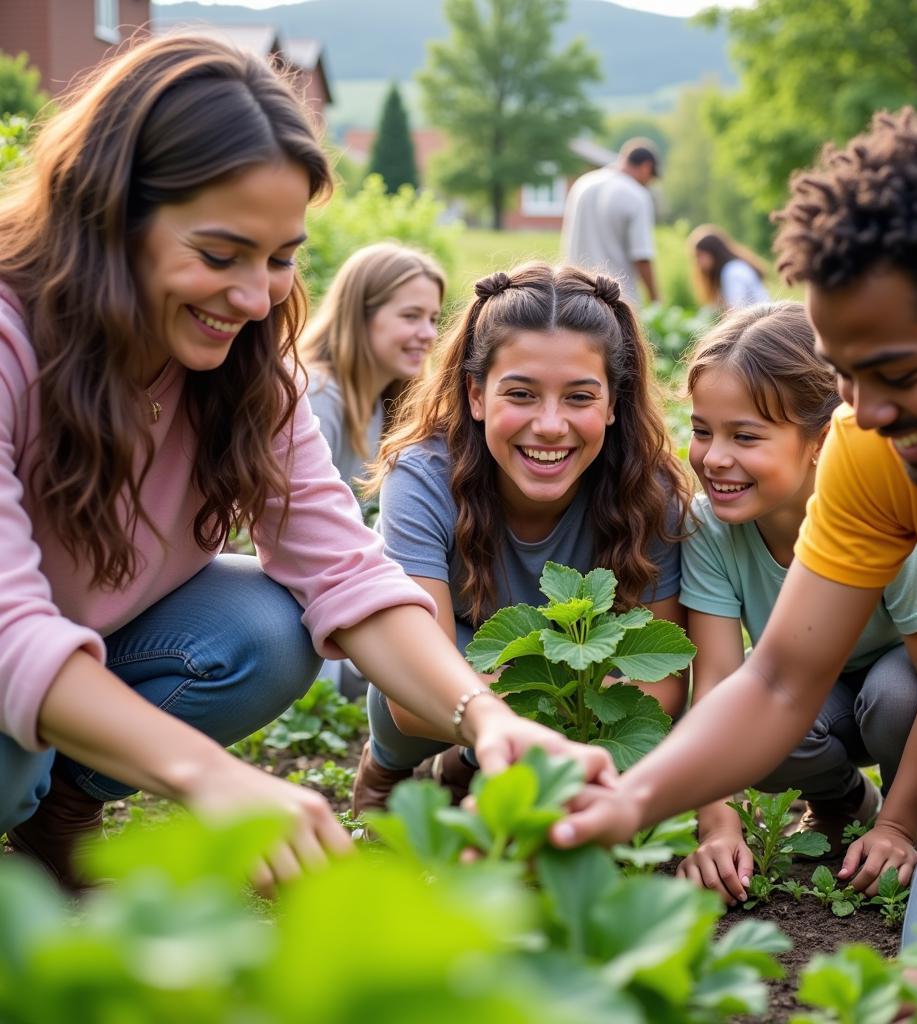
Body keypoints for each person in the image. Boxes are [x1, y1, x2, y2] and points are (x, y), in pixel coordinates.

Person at [0, 34, 613, 894]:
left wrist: (492, 720)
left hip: (76, 640)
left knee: (263, 628)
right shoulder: (12, 338)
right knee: (8, 761)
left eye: (280, 258)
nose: (255, 299)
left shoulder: (248, 371)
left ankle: (63, 804)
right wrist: (209, 776)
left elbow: (346, 574)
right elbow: (8, 624)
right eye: (219, 256)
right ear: (110, 216)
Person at [552, 108, 917, 1010]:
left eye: (898, 371)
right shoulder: (866, 441)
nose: (868, 412)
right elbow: (775, 684)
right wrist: (629, 800)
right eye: (846, 376)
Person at [352, 263, 692, 813]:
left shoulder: (649, 492)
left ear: (613, 404)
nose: (551, 425)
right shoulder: (422, 479)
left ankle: (466, 765)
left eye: (580, 397)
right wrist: (550, 708)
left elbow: (662, 683)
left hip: (567, 682)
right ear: (477, 395)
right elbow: (411, 697)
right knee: (416, 660)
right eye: (522, 394)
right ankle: (385, 771)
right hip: (464, 659)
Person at [677, 302, 917, 904]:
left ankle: (911, 816)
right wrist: (717, 823)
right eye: (702, 431)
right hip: (810, 690)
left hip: (905, 692)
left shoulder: (881, 511)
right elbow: (719, 682)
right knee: (753, 722)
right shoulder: (709, 527)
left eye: (744, 436)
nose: (714, 457)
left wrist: (898, 827)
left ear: (820, 440)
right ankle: (843, 800)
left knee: (894, 695)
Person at [298, 243, 444, 496]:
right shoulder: (316, 395)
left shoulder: (382, 401)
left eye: (433, 319)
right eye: (411, 316)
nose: (429, 334)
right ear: (360, 317)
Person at [561, 139, 660, 306]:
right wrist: (655, 299)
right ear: (646, 167)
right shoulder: (636, 195)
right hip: (617, 300)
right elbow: (641, 255)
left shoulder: (583, 184)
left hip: (575, 295)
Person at [688, 224, 769, 311]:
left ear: (713, 252)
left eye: (700, 256)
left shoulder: (732, 272)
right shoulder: (734, 268)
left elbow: (737, 310)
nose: (697, 262)